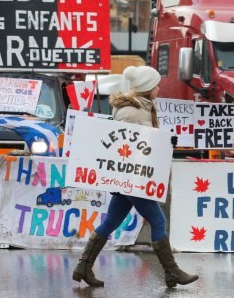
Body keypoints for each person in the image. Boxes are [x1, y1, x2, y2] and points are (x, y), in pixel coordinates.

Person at [72, 66, 199, 288]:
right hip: (133, 179)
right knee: (158, 220)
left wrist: (165, 143)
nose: (159, 87)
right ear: (149, 88)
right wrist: (115, 176)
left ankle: (83, 267)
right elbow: (121, 145)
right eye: (156, 84)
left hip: (133, 177)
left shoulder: (143, 108)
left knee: (111, 221)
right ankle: (172, 272)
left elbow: (144, 143)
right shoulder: (132, 112)